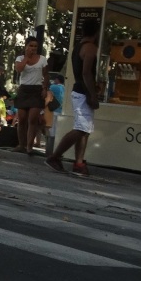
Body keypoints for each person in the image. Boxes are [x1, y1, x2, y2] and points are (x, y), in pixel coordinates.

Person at [47, 18, 101, 177]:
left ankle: (79, 162)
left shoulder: (77, 47)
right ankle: (55, 156)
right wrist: (92, 94)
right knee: (81, 129)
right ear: (96, 33)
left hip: (78, 90)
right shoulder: (90, 48)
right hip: (83, 91)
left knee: (84, 129)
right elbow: (86, 73)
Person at [13, 36, 49, 155]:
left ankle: (29, 146)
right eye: (31, 46)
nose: (33, 48)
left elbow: (46, 75)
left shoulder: (42, 59)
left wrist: (45, 88)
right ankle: (21, 144)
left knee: (32, 119)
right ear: (26, 46)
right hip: (24, 89)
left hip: (36, 90)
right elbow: (19, 69)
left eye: (35, 46)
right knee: (22, 119)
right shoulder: (20, 58)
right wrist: (27, 58)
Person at [43, 71, 67, 151]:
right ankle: (54, 148)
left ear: (57, 80)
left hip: (52, 110)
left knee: (50, 129)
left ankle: (49, 148)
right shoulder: (64, 88)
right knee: (56, 129)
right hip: (61, 111)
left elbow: (47, 94)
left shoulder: (53, 87)